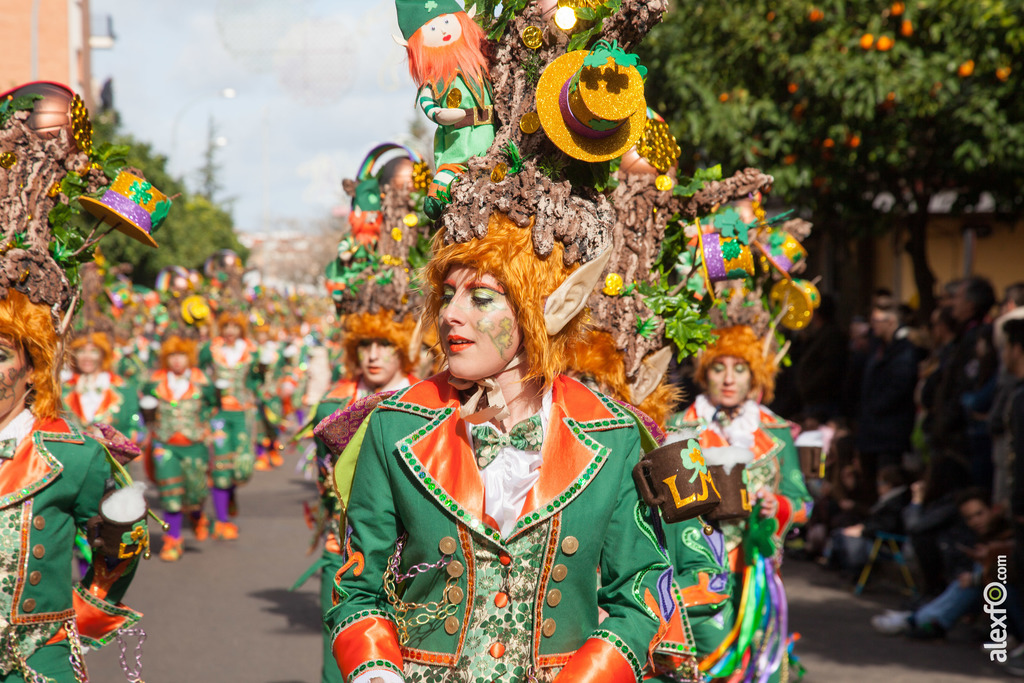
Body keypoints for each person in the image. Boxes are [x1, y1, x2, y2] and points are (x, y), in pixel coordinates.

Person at [320, 214, 675, 682]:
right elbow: (358, 591)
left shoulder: (613, 434)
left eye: (481, 297)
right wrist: (377, 671)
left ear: (538, 309)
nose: (451, 314)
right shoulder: (393, 427)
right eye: (448, 295)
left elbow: (643, 595)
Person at [665, 325, 813, 682]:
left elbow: (803, 505)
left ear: (754, 376)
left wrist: (775, 506)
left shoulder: (776, 431)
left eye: (740, 368)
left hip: (757, 578)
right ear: (704, 374)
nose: (729, 379)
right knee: (707, 667)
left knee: (760, 666)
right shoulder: (677, 428)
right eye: (719, 367)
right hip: (696, 575)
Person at [871, 488, 1015, 639]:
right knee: (968, 580)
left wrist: (977, 578)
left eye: (979, 514)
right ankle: (919, 619)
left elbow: (1010, 575)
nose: (976, 521)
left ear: (994, 510)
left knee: (973, 579)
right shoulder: (982, 537)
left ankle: (916, 620)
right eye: (970, 518)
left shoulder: (1008, 538)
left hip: (1010, 603)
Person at [142, 334, 219, 561]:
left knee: (196, 493)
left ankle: (197, 514)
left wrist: (204, 425)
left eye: (182, 356)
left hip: (195, 444)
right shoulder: (154, 381)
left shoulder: (202, 381)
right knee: (170, 495)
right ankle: (172, 540)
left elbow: (214, 404)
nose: (177, 361)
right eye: (173, 355)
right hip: (165, 444)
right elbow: (144, 404)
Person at [198, 311, 260, 540]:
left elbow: (256, 379)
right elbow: (198, 371)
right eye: (227, 326)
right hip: (219, 413)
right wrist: (208, 392)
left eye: (235, 326)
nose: (231, 331)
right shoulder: (211, 349)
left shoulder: (252, 350)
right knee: (221, 467)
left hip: (243, 413)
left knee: (242, 466)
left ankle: (230, 494)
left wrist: (260, 377)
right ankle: (222, 520)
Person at [855, 302, 920, 488]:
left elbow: (899, 388)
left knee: (889, 482)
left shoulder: (905, 351)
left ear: (891, 321)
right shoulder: (878, 348)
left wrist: (875, 407)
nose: (872, 325)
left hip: (890, 431)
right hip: (873, 430)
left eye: (876, 320)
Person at [827, 465, 911, 574]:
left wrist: (863, 530)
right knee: (839, 534)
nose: (878, 486)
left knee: (846, 538)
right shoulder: (888, 500)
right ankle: (842, 571)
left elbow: (888, 525)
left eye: (880, 483)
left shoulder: (897, 502)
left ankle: (852, 573)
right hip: (874, 536)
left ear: (889, 484)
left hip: (885, 544)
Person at [64, 330, 143, 443]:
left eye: (94, 351)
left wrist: (112, 442)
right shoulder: (62, 390)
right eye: (81, 351)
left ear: (103, 354)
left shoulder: (125, 389)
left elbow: (133, 429)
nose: (87, 357)